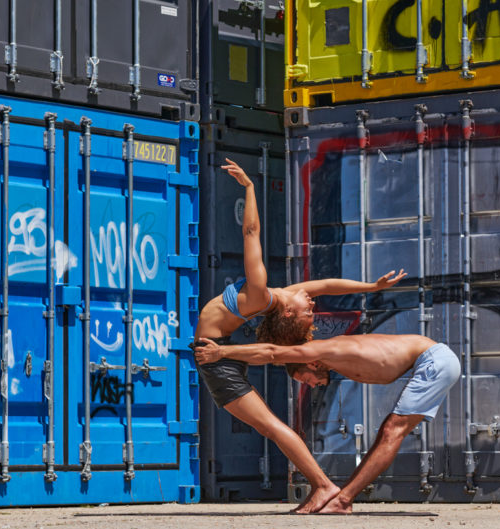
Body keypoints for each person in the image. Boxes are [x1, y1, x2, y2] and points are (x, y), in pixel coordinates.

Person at [192, 158, 407, 513]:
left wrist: (249, 187)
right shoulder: (280, 297)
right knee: (270, 426)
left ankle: (323, 486)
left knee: (272, 427)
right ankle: (322, 486)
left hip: (215, 356)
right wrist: (371, 286)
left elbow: (251, 234)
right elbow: (324, 285)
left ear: (289, 313)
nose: (311, 302)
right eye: (311, 308)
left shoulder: (261, 294)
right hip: (221, 352)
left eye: (308, 309)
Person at [192, 333, 461, 514]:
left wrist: (222, 352)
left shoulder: (320, 349)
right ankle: (341, 497)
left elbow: (272, 352)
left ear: (311, 362)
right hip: (432, 363)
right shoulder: (330, 359)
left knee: (392, 431)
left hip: (433, 361)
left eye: (307, 379)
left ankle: (342, 500)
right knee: (389, 430)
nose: (313, 385)